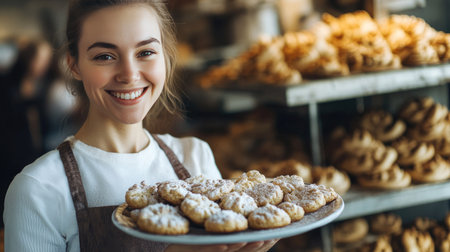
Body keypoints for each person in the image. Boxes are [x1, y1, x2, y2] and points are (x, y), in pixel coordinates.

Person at [3, 1, 278, 251]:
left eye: (145, 52)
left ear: (165, 58)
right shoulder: (38, 190)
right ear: (74, 66)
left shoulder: (195, 157)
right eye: (105, 56)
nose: (130, 74)